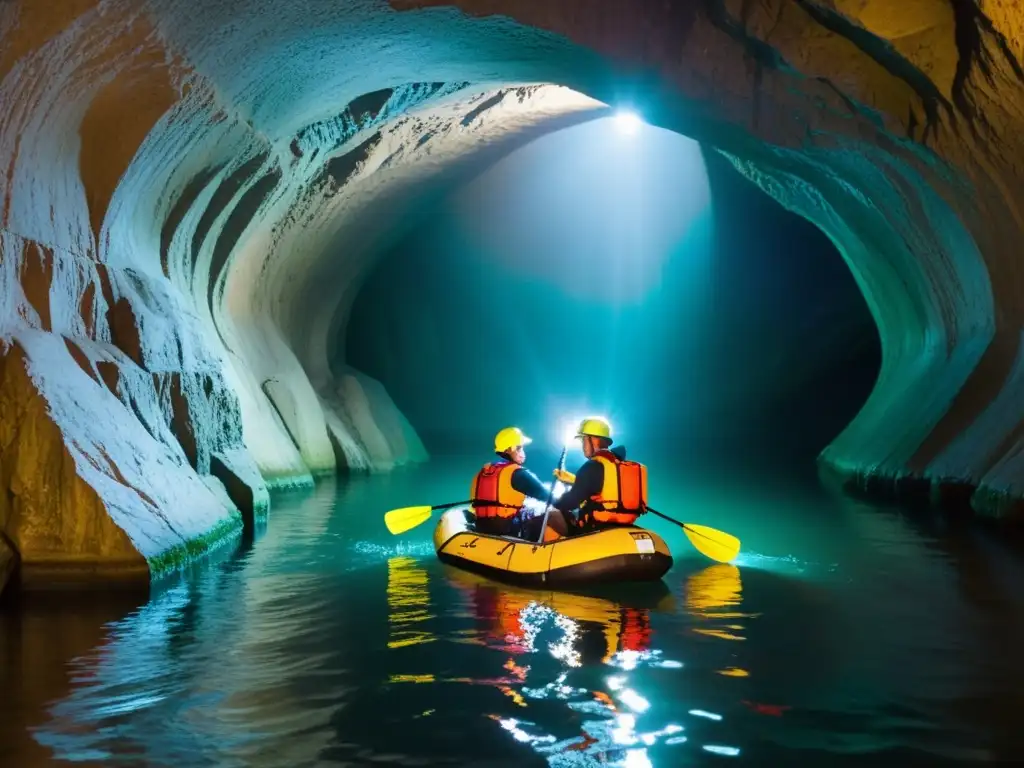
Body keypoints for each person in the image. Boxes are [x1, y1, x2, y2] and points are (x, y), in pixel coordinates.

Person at [470, 426, 569, 541]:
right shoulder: (518, 473)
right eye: (520, 448)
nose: (523, 452)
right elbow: (549, 497)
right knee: (553, 513)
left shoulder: (483, 472)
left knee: (529, 507)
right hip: (506, 528)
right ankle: (571, 541)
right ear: (512, 449)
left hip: (482, 526)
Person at [552, 417, 648, 532]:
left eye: (583, 440)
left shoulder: (592, 466)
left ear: (593, 440)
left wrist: (555, 502)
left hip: (595, 526)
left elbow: (572, 501)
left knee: (550, 517)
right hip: (624, 524)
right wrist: (574, 480)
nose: (582, 446)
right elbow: (604, 487)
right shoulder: (620, 466)